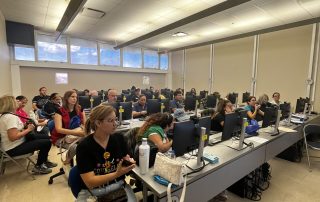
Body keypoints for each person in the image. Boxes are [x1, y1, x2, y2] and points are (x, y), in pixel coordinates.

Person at [76, 105, 136, 201]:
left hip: (119, 186)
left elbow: (125, 159)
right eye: (110, 121)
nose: (115, 124)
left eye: (115, 119)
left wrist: (128, 162)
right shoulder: (84, 146)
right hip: (94, 191)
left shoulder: (119, 139)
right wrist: (117, 174)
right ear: (98, 123)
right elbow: (90, 182)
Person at [0, 95, 57, 174]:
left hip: (14, 145)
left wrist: (24, 125)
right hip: (13, 148)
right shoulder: (10, 117)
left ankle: (43, 161)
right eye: (15, 101)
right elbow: (13, 137)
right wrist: (28, 129)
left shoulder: (6, 116)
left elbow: (15, 130)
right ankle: (39, 166)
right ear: (11, 103)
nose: (18, 102)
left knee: (47, 139)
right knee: (47, 142)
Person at [51, 90, 86, 164]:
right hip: (60, 137)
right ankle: (67, 161)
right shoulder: (59, 111)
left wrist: (82, 131)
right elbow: (59, 129)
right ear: (66, 98)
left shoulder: (79, 108)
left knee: (90, 143)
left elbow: (85, 124)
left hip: (75, 135)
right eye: (72, 97)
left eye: (76, 97)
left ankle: (83, 165)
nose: (75, 99)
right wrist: (76, 133)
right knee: (76, 148)